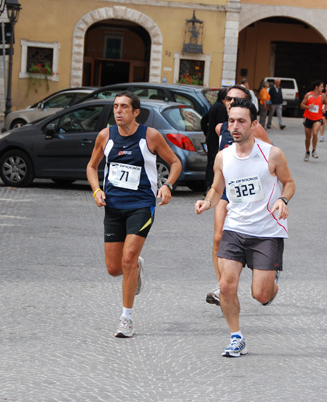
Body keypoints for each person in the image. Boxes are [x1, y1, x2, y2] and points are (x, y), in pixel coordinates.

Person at [195, 98, 295, 357]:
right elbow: (218, 188)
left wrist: (283, 200)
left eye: (241, 121)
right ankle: (236, 337)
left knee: (260, 295)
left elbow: (289, 183)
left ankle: (271, 282)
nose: (235, 126)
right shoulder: (223, 157)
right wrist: (207, 202)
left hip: (266, 232)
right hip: (235, 228)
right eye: (231, 121)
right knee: (226, 286)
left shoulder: (271, 154)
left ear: (254, 124)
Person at [86, 91, 182, 338]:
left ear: (135, 112)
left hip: (141, 206)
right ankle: (136, 268)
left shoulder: (150, 136)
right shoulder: (105, 136)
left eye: (124, 107)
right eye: (116, 106)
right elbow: (91, 166)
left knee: (127, 259)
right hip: (113, 208)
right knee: (113, 268)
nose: (118, 111)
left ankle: (126, 319)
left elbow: (175, 163)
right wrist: (96, 190)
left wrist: (167, 185)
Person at [205, 85, 271, 307]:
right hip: (227, 190)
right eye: (228, 99)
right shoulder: (220, 128)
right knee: (217, 237)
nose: (231, 102)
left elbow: (270, 158)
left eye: (237, 99)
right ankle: (221, 285)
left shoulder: (257, 129)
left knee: (248, 239)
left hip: (251, 192)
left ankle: (267, 272)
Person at [203, 87, 229, 191]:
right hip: (216, 140)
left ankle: (208, 186)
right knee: (214, 164)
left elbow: (203, 121)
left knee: (211, 163)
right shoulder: (221, 108)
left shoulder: (214, 106)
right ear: (224, 98)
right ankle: (211, 187)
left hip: (211, 139)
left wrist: (207, 133)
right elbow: (221, 125)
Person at [300, 80, 327, 161]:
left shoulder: (322, 96)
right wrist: (308, 107)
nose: (323, 88)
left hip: (318, 118)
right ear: (317, 87)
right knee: (308, 137)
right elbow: (301, 105)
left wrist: (324, 109)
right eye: (321, 87)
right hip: (308, 118)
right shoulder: (308, 95)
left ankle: (313, 150)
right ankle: (307, 152)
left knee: (315, 132)